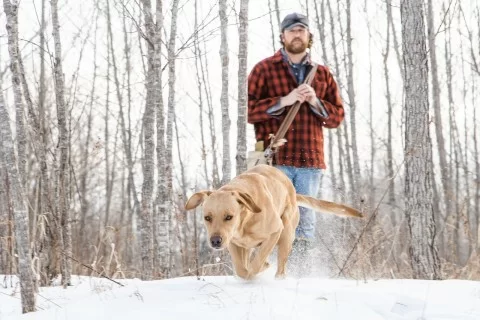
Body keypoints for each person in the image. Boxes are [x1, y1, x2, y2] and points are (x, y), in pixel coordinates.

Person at [247, 12, 345, 268]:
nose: (297, 34)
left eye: (301, 30)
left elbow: (336, 118)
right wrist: (285, 100)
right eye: (291, 30)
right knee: (271, 216)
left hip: (310, 160)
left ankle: (299, 274)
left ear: (309, 36)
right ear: (282, 36)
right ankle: (269, 269)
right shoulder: (263, 69)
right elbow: (248, 111)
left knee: (304, 218)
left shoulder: (322, 74)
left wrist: (314, 101)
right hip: (274, 159)